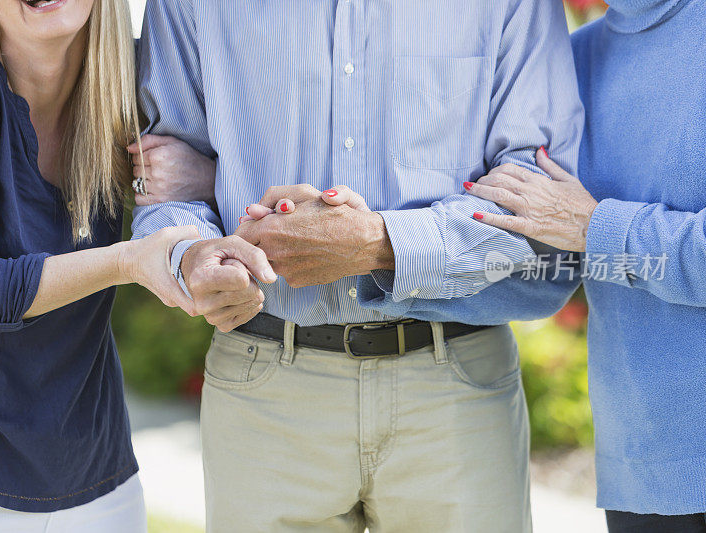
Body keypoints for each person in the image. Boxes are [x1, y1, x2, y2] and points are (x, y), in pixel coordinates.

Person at [132, 0, 584, 530]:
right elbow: (162, 177)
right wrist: (194, 256)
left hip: (453, 393)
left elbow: (545, 202)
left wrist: (381, 243)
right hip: (265, 389)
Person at [0, 0, 230, 530]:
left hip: (98, 482)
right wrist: (125, 260)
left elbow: (229, 157)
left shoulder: (125, 82)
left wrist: (204, 178)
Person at [447, 1, 706, 531]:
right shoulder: (575, 58)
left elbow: (584, 230)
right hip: (645, 470)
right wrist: (375, 258)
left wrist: (596, 228)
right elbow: (554, 261)